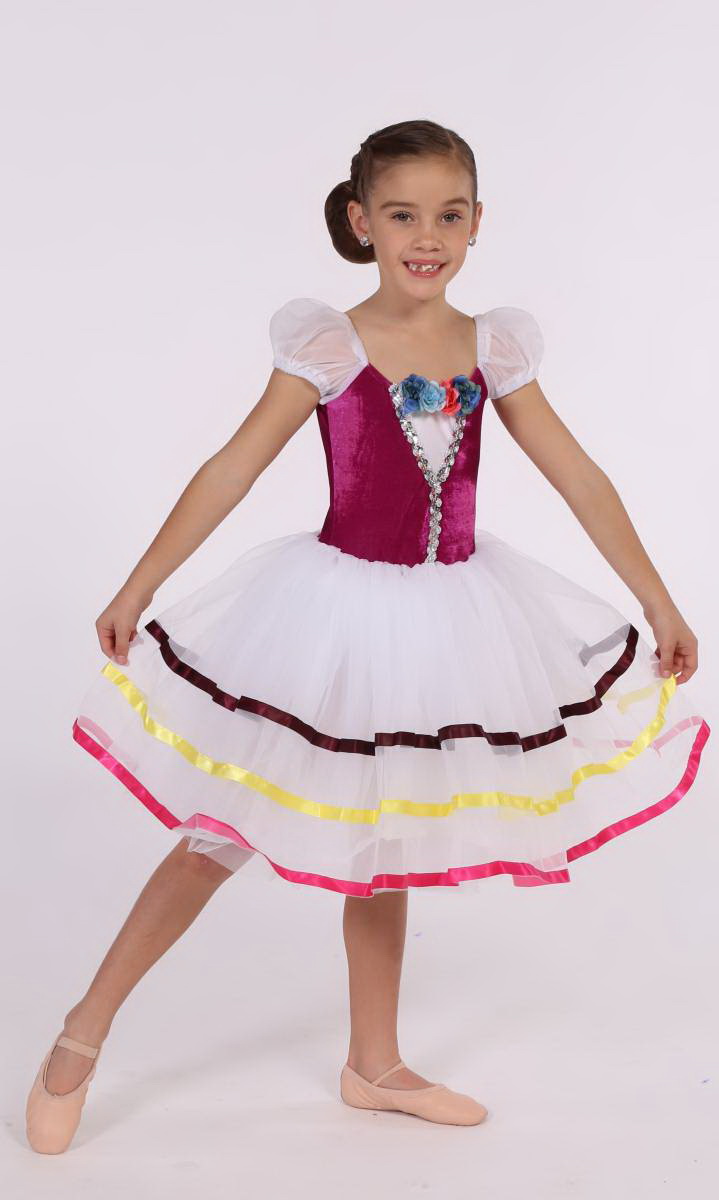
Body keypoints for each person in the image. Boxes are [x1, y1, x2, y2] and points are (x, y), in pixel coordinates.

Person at [26, 118, 711, 1153]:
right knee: (219, 833)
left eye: (447, 215)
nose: (425, 237)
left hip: (450, 620)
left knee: (389, 839)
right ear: (361, 223)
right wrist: (140, 582)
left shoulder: (492, 346)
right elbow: (231, 467)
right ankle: (81, 1033)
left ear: (477, 223)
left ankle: (373, 1064)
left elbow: (577, 475)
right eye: (401, 215)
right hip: (332, 621)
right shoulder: (328, 344)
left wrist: (657, 600)